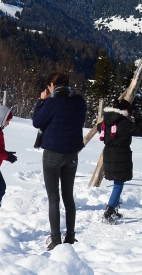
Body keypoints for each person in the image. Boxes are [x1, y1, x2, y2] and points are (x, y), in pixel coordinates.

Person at [32, 72, 87, 250]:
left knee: (53, 198)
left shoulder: (52, 103)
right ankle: (70, 236)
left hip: (53, 154)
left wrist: (41, 101)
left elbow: (37, 122)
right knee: (68, 196)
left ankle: (56, 239)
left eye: (48, 87)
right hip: (72, 153)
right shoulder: (79, 101)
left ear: (52, 85)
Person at [99, 98, 142, 224]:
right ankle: (109, 211)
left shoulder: (105, 122)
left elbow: (100, 128)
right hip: (120, 155)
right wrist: (139, 117)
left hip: (109, 154)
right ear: (126, 111)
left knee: (117, 183)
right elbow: (141, 130)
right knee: (118, 185)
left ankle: (113, 209)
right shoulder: (124, 124)